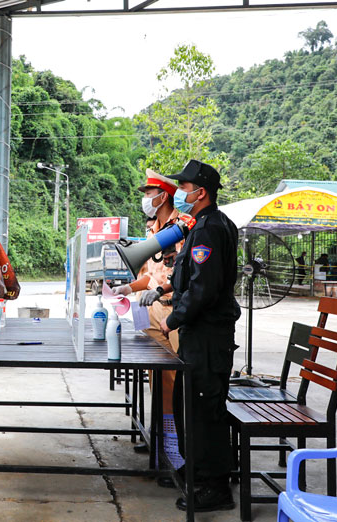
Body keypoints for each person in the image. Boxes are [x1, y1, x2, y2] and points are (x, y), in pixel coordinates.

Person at [159, 159, 240, 512]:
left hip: (206, 336)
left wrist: (172, 319)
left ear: (201, 192)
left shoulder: (209, 229)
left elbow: (203, 288)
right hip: (202, 335)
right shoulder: (207, 225)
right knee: (190, 405)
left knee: (205, 410)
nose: (180, 193)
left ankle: (214, 488)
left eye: (184, 188)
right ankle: (197, 472)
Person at [111, 169, 182, 454]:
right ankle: (165, 440)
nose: (146, 199)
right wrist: (128, 289)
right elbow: (151, 276)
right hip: (153, 310)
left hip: (176, 311)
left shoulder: (181, 227)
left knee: (181, 379)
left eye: (149, 194)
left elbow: (179, 274)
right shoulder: (154, 230)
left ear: (163, 195)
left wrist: (162, 290)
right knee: (159, 377)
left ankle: (182, 444)